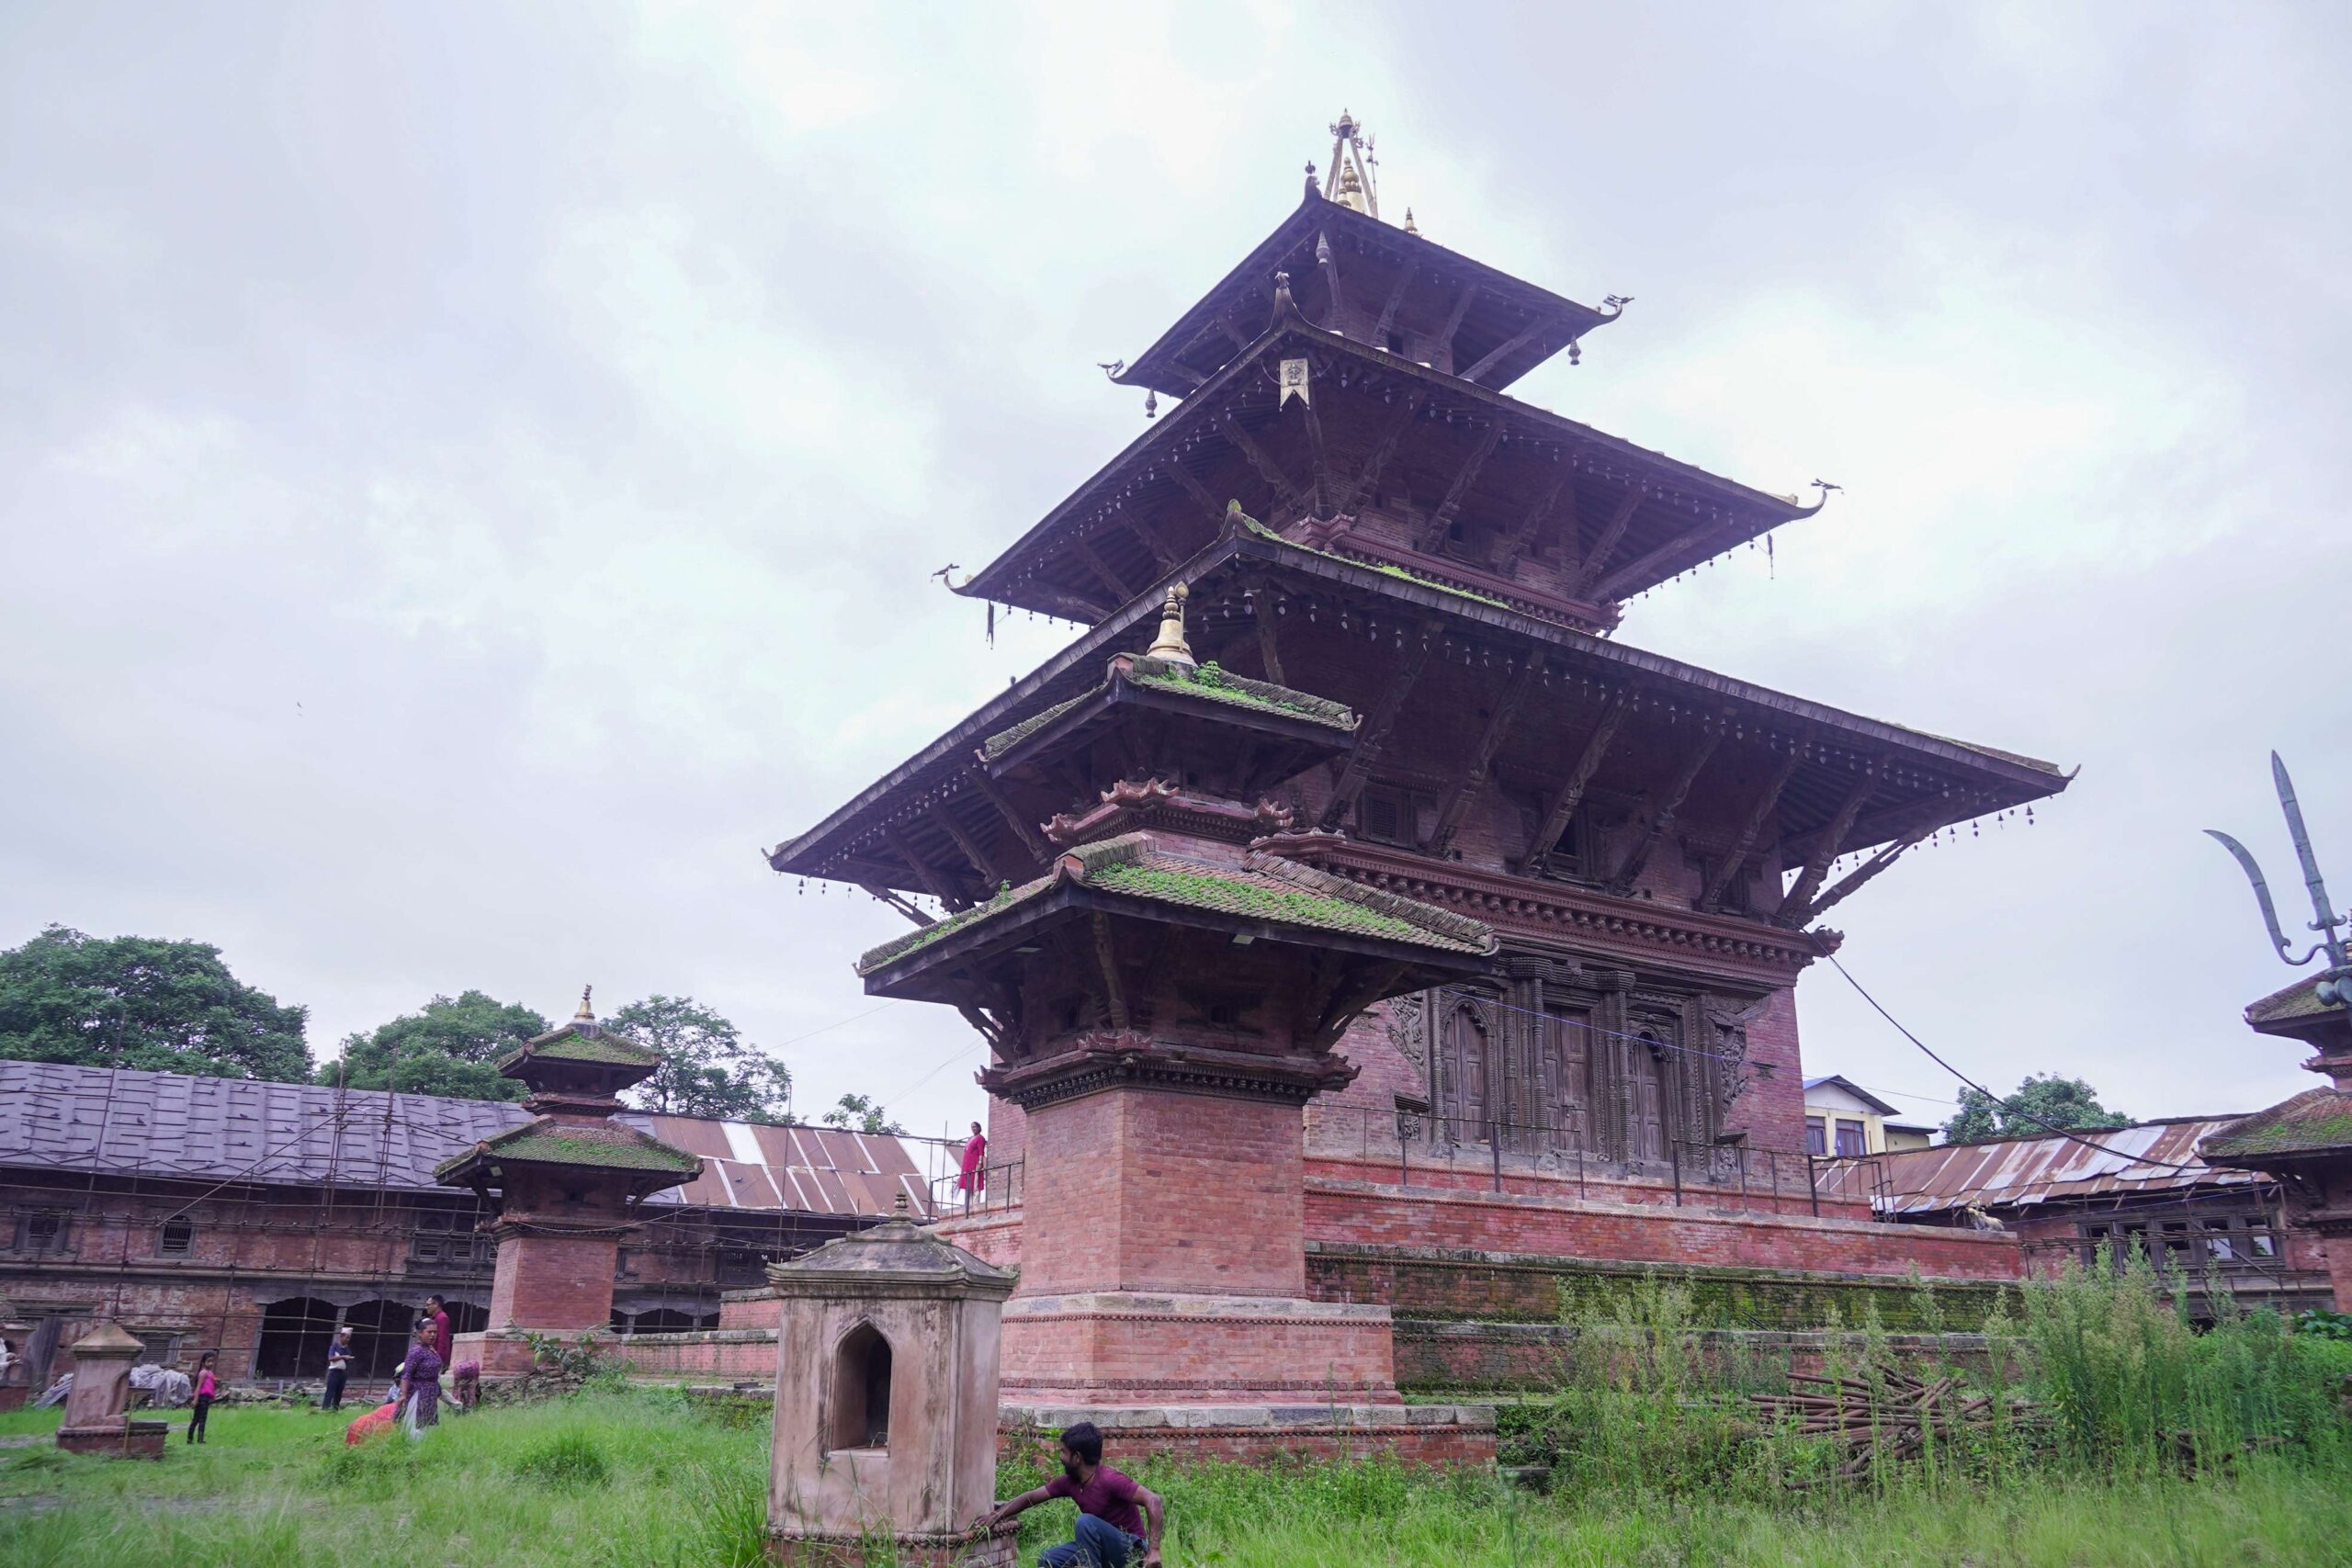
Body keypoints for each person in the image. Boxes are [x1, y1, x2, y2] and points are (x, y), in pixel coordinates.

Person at [983, 1420, 1163, 1568]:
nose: (1060, 1456)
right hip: (1100, 1548)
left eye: (1063, 1451)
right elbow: (1031, 1497)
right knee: (1048, 1560)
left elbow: (1153, 1500)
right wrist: (999, 1513)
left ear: (1077, 1457)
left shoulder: (1110, 1479)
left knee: (1085, 1522)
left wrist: (1154, 1550)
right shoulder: (1070, 1482)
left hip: (1131, 1550)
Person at [397, 1321, 443, 1438]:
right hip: (419, 1391)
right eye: (429, 1332)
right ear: (420, 1333)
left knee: (425, 1423)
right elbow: (406, 1374)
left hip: (430, 1392)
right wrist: (403, 1394)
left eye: (435, 1332)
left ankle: (423, 1446)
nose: (433, 1335)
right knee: (416, 1422)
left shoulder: (430, 1350)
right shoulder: (416, 1351)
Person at [186, 1352, 217, 1444]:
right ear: (203, 1362)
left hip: (206, 1398)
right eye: (208, 1361)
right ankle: (198, 1440)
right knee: (200, 1419)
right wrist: (195, 1399)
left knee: (199, 1419)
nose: (211, 1363)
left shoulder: (210, 1373)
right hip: (201, 1398)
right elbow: (199, 1386)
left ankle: (192, 1439)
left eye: (212, 1361)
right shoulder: (203, 1373)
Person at [322, 1325, 353, 1411]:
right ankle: (325, 1408)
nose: (347, 1340)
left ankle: (335, 1409)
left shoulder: (347, 1348)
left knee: (339, 1392)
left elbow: (348, 1357)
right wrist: (343, 1357)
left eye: (349, 1338)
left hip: (343, 1373)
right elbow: (331, 1358)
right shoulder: (334, 1347)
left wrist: (347, 1358)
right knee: (330, 1391)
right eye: (346, 1337)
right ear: (341, 1337)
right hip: (334, 1372)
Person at [957, 1121, 988, 1209]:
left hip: (975, 1165)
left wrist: (980, 1163)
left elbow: (981, 1151)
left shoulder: (980, 1138)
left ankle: (975, 1206)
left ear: (979, 1128)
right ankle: (968, 1206)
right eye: (972, 1127)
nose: (973, 1129)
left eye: (975, 1127)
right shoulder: (970, 1138)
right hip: (967, 1166)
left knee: (975, 1185)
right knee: (968, 1186)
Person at [424, 1294, 453, 1367]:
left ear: (436, 1304)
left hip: (436, 1356)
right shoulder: (435, 1317)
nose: (426, 1307)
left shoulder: (442, 1318)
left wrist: (439, 1358)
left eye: (428, 1305)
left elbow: (442, 1339)